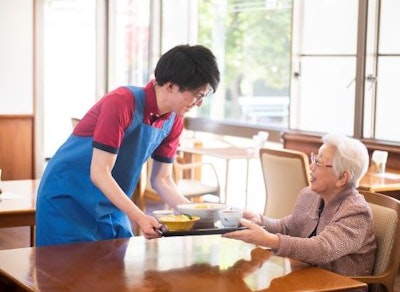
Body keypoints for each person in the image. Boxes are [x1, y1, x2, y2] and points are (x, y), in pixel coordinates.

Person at [35, 44, 220, 247]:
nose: (199, 103)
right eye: (197, 94)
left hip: (111, 204)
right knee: (65, 274)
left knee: (115, 273)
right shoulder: (122, 102)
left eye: (204, 96)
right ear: (170, 86)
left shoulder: (174, 120)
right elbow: (100, 172)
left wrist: (200, 216)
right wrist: (139, 216)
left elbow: (162, 179)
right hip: (67, 200)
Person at [223, 133, 376, 276]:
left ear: (342, 177)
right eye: (314, 158)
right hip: (308, 277)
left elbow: (323, 249)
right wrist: (261, 221)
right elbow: (289, 227)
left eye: (319, 162)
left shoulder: (356, 211)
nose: (311, 166)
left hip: (342, 286)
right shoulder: (309, 195)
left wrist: (268, 239)